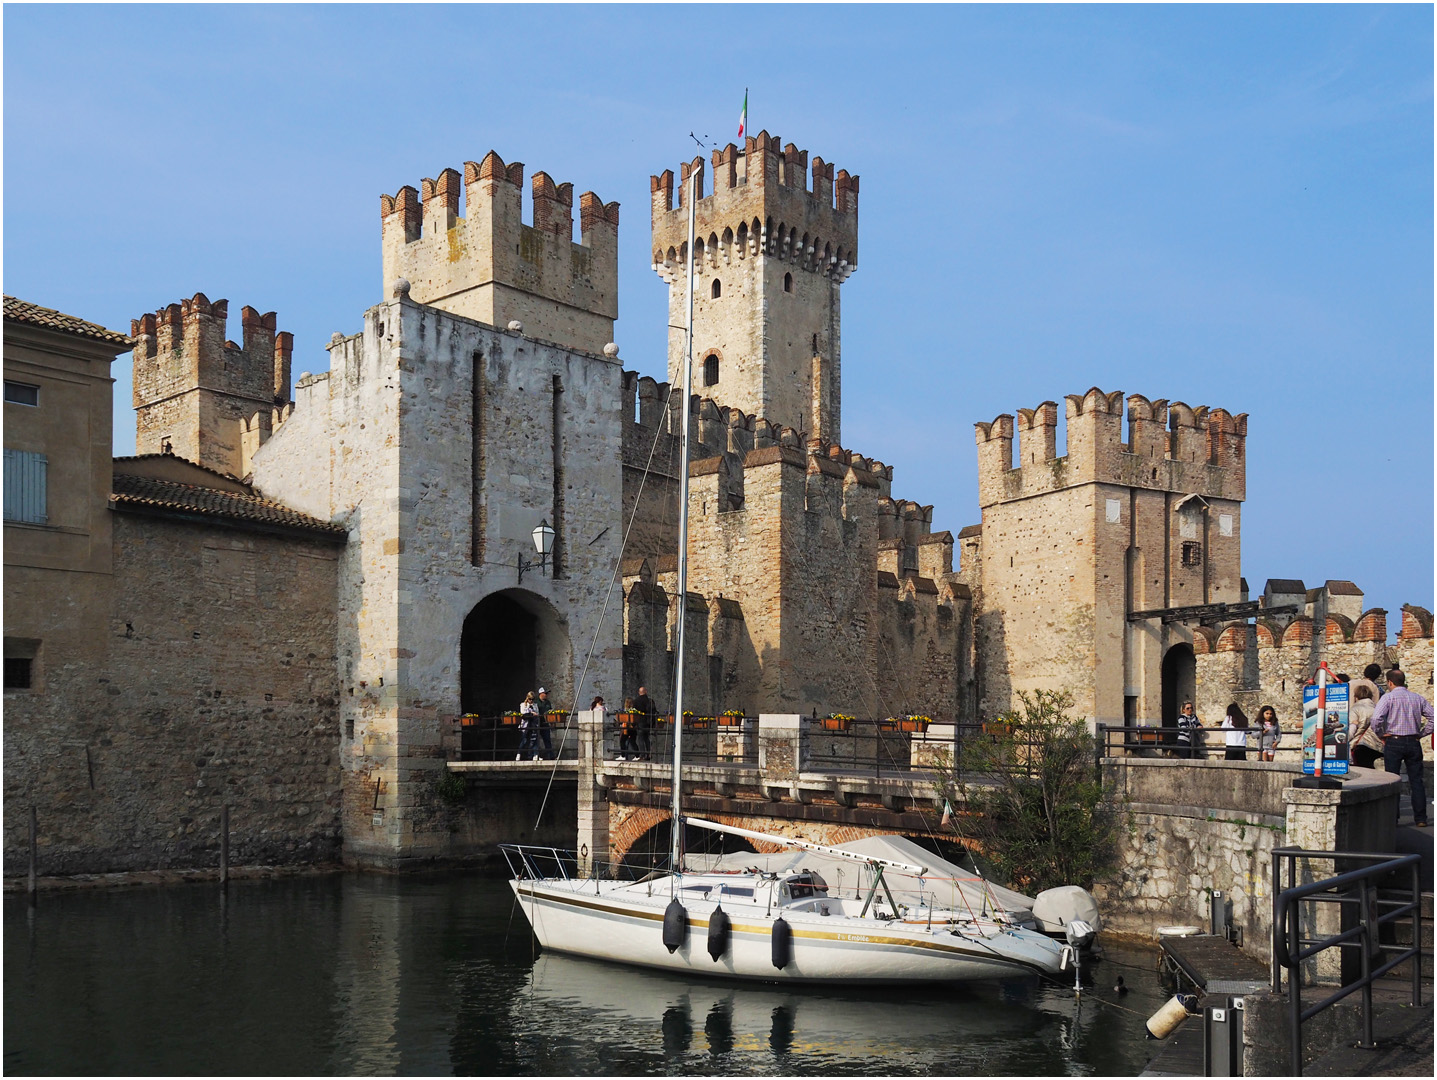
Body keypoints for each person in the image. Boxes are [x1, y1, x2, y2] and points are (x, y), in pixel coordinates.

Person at [1370, 669, 1433, 827]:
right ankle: (1421, 818)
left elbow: (1376, 718)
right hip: (1413, 741)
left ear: (1390, 682)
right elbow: (1434, 717)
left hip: (1394, 741)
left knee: (1393, 780)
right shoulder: (1417, 698)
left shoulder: (1388, 698)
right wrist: (1421, 733)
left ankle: (1393, 817)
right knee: (1416, 780)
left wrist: (1381, 734)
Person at [1348, 683, 1384, 769]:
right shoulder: (1378, 709)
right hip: (1376, 745)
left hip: (1360, 745)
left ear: (1356, 697)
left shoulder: (1355, 709)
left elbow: (1353, 728)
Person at [633, 685, 658, 760]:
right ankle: (649, 754)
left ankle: (642, 755)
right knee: (647, 738)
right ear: (646, 692)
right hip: (648, 721)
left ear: (639, 692)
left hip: (640, 721)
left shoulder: (636, 701)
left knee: (640, 738)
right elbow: (654, 711)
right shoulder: (650, 701)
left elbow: (634, 713)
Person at [517, 691, 540, 760]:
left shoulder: (535, 705)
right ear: (527, 698)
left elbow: (537, 713)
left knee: (534, 739)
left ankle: (535, 755)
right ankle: (519, 753)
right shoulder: (523, 705)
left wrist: (533, 712)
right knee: (524, 740)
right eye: (530, 699)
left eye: (533, 699)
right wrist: (531, 713)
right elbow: (523, 713)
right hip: (526, 725)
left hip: (533, 724)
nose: (531, 701)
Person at [534, 687, 556, 759]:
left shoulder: (548, 702)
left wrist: (552, 722)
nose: (546, 695)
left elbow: (550, 712)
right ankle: (535, 755)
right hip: (538, 723)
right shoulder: (536, 702)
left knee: (547, 740)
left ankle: (551, 756)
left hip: (545, 723)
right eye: (545, 693)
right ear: (541, 694)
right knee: (535, 740)